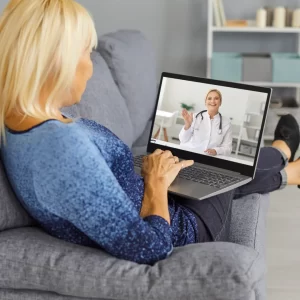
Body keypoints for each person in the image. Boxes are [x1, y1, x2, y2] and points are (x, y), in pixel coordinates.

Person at [1, 0, 300, 266]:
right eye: (86, 53)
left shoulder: (19, 119)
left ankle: (286, 162)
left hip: (159, 195)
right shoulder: (60, 150)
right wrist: (156, 183)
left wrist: (155, 174)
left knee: (202, 162)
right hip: (185, 228)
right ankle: (283, 157)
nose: (90, 68)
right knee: (225, 164)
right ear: (57, 61)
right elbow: (153, 248)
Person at [179, 89, 233, 156]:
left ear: (220, 102)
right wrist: (187, 124)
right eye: (209, 98)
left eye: (216, 98)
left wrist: (216, 151)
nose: (212, 101)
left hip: (208, 158)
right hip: (189, 153)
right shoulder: (195, 117)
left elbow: (228, 148)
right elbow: (183, 140)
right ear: (205, 102)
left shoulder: (226, 124)